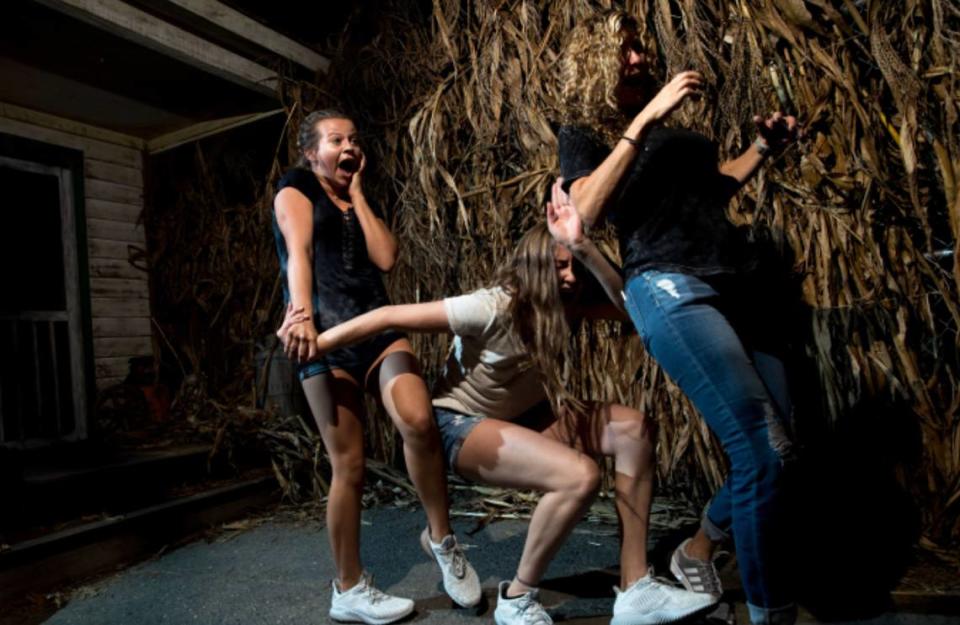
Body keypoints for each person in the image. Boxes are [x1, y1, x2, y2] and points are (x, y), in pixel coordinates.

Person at [279, 182, 717, 625]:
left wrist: (585, 250)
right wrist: (319, 342)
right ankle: (518, 598)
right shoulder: (489, 307)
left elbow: (634, 308)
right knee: (578, 476)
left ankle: (635, 586)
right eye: (560, 266)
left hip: (528, 415)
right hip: (462, 426)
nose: (569, 277)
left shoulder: (569, 303)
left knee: (635, 430)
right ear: (532, 267)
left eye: (574, 268)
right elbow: (387, 316)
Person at [556, 10, 800, 625]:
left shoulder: (672, 136)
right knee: (760, 453)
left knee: (783, 449)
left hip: (735, 286)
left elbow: (711, 193)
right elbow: (583, 210)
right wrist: (644, 120)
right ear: (594, 60)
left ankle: (699, 548)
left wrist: (762, 149)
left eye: (639, 49)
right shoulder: (584, 132)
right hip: (669, 289)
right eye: (625, 51)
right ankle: (773, 613)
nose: (639, 59)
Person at [272, 109, 480, 624]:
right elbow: (297, 254)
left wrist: (359, 196)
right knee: (350, 465)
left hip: (378, 332)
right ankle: (348, 588)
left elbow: (387, 258)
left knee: (417, 419)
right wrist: (299, 317)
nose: (349, 146)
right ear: (310, 152)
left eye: (354, 138)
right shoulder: (295, 188)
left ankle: (442, 539)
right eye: (336, 139)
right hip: (325, 339)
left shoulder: (355, 198)